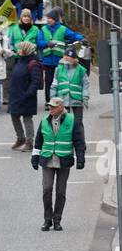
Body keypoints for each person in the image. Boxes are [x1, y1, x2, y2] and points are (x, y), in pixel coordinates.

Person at [31, 96, 86, 231]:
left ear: (61, 107)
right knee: (47, 189)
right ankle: (47, 220)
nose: (51, 109)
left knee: (61, 192)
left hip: (64, 160)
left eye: (54, 107)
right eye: (50, 106)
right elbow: (38, 140)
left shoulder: (72, 120)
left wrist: (80, 158)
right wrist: (35, 157)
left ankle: (57, 220)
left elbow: (79, 141)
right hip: (47, 159)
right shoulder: (44, 120)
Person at [8, 39, 44, 151]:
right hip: (15, 95)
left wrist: (28, 94)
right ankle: (20, 138)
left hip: (26, 97)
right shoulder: (19, 61)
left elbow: (36, 81)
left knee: (27, 119)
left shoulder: (33, 64)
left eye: (20, 49)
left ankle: (29, 142)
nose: (18, 50)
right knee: (14, 117)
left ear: (26, 51)